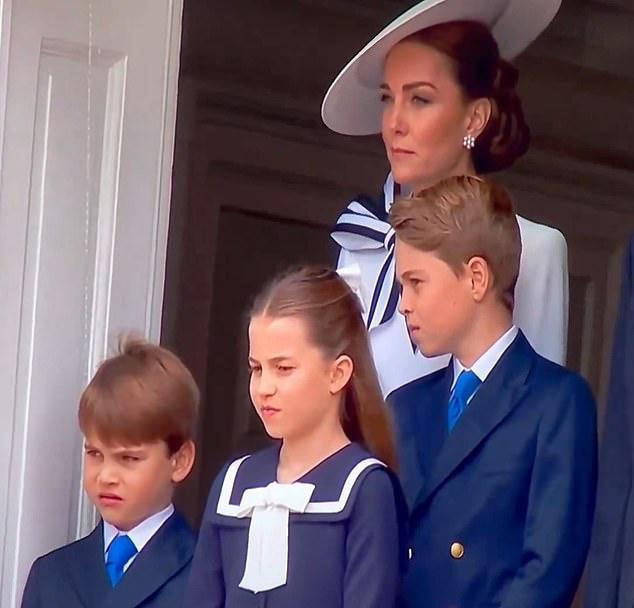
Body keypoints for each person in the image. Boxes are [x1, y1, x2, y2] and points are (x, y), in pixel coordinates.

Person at [323, 0, 568, 396]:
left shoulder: (535, 249)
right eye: (388, 98)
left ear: (474, 118)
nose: (394, 123)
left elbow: (539, 411)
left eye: (419, 99)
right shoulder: (361, 238)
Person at [389, 175, 596, 607]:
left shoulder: (557, 403)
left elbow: (547, 571)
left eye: (416, 283)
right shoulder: (405, 406)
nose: (404, 303)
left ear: (476, 277)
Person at [185, 266, 406, 608]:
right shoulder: (235, 483)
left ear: (337, 374)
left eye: (283, 368)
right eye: (256, 368)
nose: (264, 388)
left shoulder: (363, 487)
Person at [21, 338, 199, 608]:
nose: (106, 476)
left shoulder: (208, 573)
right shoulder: (51, 575)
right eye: (94, 454)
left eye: (128, 458)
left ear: (179, 461)